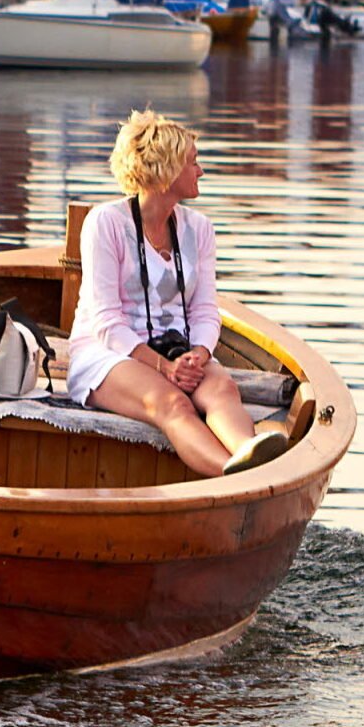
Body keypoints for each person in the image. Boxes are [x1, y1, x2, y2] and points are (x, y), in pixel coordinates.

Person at [67, 110, 286, 477]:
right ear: (165, 170)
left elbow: (204, 312)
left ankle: (251, 457)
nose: (200, 171)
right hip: (107, 354)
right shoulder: (105, 224)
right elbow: (106, 321)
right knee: (172, 404)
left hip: (177, 350)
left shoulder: (199, 229)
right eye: (192, 163)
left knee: (222, 390)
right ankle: (236, 477)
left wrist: (198, 355)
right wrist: (163, 367)